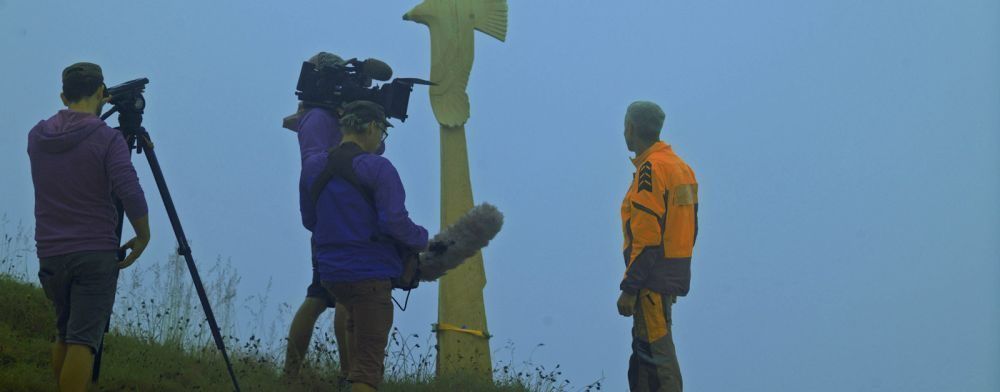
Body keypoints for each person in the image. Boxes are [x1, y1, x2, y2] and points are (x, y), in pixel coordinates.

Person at [27, 62, 151, 392]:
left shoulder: (37, 136)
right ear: (101, 93)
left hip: (50, 253)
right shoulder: (106, 140)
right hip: (94, 252)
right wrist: (143, 234)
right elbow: (129, 189)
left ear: (63, 95)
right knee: (83, 341)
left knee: (64, 333)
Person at [300, 101, 427, 392]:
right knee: (368, 369)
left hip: (332, 276)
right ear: (372, 127)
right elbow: (395, 222)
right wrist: (422, 238)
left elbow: (310, 219)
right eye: (382, 132)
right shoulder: (379, 168)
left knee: (355, 342)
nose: (381, 140)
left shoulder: (313, 166)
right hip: (370, 276)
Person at [617, 101, 698, 392]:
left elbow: (648, 238)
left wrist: (630, 287)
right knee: (642, 358)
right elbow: (690, 228)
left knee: (656, 356)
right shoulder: (680, 168)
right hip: (668, 275)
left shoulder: (651, 171)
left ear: (631, 128)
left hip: (650, 280)